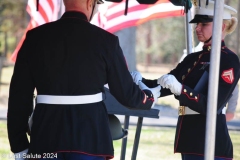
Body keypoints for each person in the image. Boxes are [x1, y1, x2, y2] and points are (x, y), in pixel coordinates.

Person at [7, 0, 161, 160]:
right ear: (90, 3)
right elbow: (127, 94)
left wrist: (19, 145)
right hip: (90, 143)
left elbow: (19, 97)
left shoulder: (34, 38)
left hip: (45, 140)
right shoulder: (106, 42)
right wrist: (149, 98)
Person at [131, 1, 240, 160]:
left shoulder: (228, 60)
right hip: (189, 139)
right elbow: (163, 86)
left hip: (210, 141)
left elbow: (212, 105)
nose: (197, 28)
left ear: (221, 27)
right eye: (197, 24)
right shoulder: (192, 59)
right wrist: (139, 81)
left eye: (204, 24)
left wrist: (180, 89)